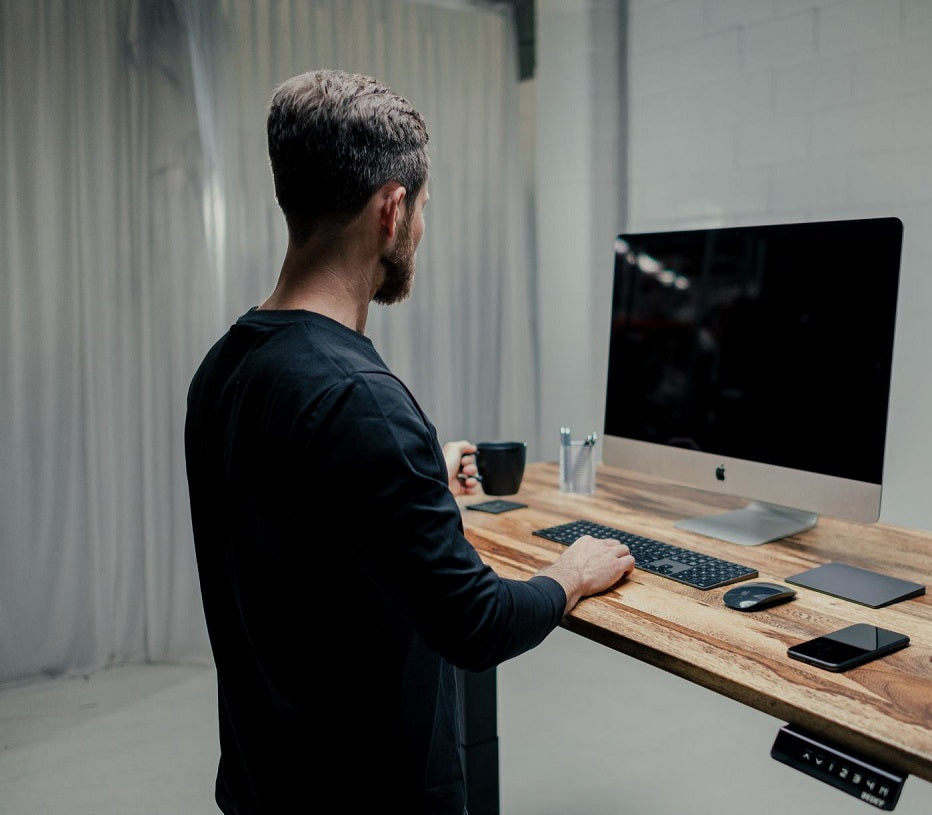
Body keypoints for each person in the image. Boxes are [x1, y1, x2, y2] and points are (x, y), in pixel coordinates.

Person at [184, 69, 634, 815]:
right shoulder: (360, 403)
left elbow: (301, 536)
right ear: (391, 210)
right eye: (421, 206)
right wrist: (572, 573)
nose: (422, 225)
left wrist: (416, 472)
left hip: (261, 789)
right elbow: (476, 623)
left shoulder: (226, 365)